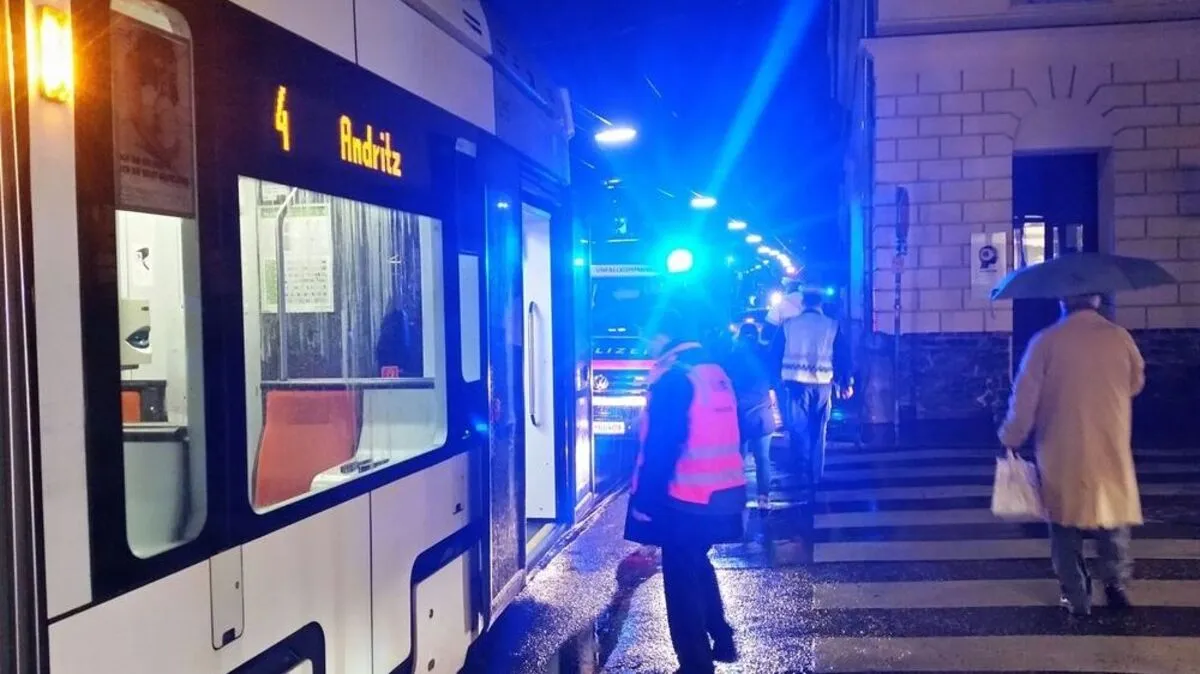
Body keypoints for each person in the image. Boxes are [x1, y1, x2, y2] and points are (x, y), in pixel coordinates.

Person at [998, 293, 1145, 617]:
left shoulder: (1045, 342)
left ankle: (1077, 594)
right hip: (1110, 442)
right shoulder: (1119, 338)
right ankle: (1116, 582)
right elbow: (1135, 382)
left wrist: (1011, 436)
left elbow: (1024, 400)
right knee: (1112, 517)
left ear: (1063, 302)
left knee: (1065, 526)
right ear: (1095, 301)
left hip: (1061, 446)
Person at [625, 309, 746, 674]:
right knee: (696, 564)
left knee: (680, 584)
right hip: (723, 492)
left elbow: (663, 446)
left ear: (665, 336)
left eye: (650, 335)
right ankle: (722, 638)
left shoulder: (675, 379)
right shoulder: (713, 371)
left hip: (686, 499)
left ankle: (695, 664)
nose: (646, 342)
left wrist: (645, 502)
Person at [768, 287, 852, 485]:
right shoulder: (832, 325)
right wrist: (845, 382)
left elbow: (774, 354)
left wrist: (774, 380)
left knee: (798, 428)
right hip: (823, 384)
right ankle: (816, 474)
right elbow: (842, 356)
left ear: (803, 303)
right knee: (819, 429)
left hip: (795, 383)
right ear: (820, 304)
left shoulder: (788, 325)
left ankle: (801, 470)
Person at [723, 322, 777, 509]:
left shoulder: (731, 358)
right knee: (763, 459)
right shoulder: (765, 355)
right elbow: (773, 380)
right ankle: (764, 498)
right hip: (762, 414)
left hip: (739, 415)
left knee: (739, 459)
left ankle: (739, 495)